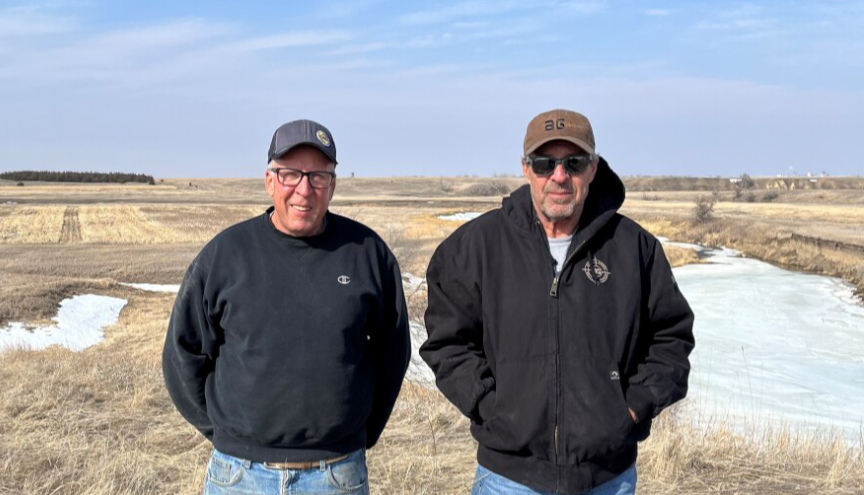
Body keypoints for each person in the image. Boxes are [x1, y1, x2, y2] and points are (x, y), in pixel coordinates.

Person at [420, 109, 695, 495]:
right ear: (526, 168)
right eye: (545, 163)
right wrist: (491, 407)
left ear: (594, 168)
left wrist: (630, 408)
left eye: (574, 163)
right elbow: (447, 343)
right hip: (508, 478)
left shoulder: (634, 249)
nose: (559, 176)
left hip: (607, 478)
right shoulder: (475, 248)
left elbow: (671, 339)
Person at [163, 119, 411, 495]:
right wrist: (226, 433)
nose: (304, 190)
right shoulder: (225, 256)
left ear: (333, 185)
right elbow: (184, 353)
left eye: (318, 177)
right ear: (269, 180)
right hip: (239, 476)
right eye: (290, 174)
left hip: (335, 474)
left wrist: (356, 432)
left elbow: (393, 354)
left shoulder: (367, 254)